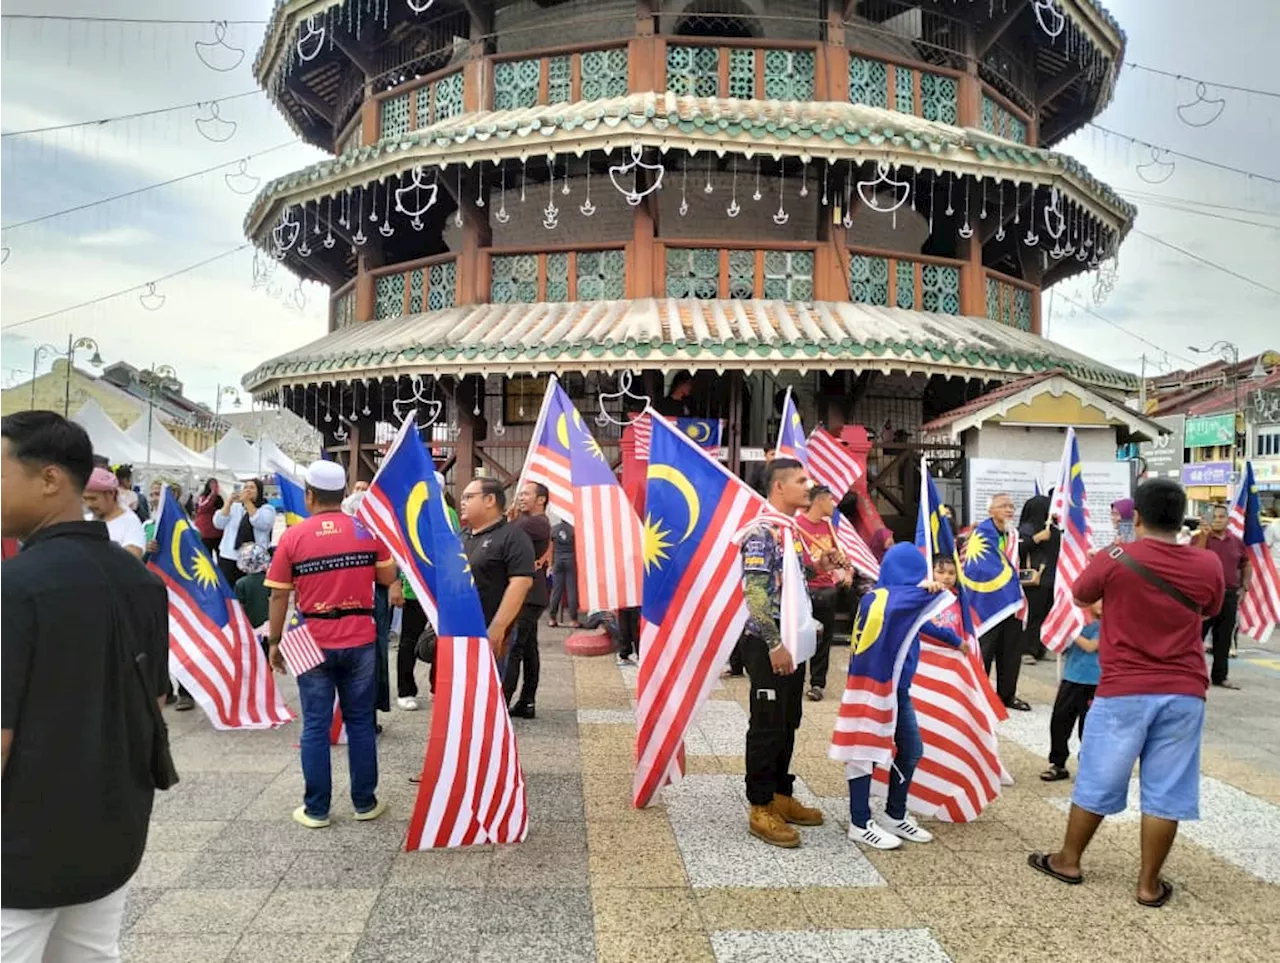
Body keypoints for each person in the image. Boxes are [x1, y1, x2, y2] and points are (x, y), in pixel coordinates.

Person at [0, 411, 169, 959]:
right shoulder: (141, 583)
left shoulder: (13, 587)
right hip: (110, 831)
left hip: (20, 847)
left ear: (49, 479)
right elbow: (154, 701)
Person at [1029, 478, 1224, 908]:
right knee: (1168, 789)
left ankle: (1068, 860)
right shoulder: (1207, 564)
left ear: (1136, 517)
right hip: (1185, 690)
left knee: (1099, 774)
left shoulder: (1115, 556)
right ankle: (1148, 885)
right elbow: (1211, 609)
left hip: (1121, 689)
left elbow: (1081, 593)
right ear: (1180, 520)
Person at [265, 461, 397, 829]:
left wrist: (275, 642)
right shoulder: (364, 530)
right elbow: (388, 576)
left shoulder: (293, 537)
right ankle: (364, 802)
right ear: (342, 495)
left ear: (309, 495)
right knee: (359, 722)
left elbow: (278, 597)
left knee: (315, 725)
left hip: (312, 640)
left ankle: (317, 809)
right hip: (360, 639)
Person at [844, 544, 957, 850]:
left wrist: (960, 641)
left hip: (896, 689)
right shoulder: (877, 599)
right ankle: (859, 821)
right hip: (871, 689)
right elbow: (898, 605)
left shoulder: (900, 601)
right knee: (863, 752)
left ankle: (894, 814)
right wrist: (926, 591)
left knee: (910, 750)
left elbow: (927, 624)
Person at [739, 457, 826, 848]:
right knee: (767, 725)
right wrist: (774, 644)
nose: (808, 487)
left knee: (789, 720)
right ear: (779, 487)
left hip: (793, 642)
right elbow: (756, 594)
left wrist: (822, 564)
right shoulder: (761, 532)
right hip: (768, 644)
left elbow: (788, 584)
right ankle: (760, 806)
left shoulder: (790, 532)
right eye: (800, 480)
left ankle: (781, 794)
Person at [459, 477, 535, 677]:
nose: (462, 502)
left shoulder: (513, 537)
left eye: (469, 497)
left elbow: (521, 583)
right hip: (459, 631)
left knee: (487, 693)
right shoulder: (462, 536)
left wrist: (497, 628)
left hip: (492, 632)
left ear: (490, 500)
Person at [795, 484, 853, 701]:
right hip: (805, 588)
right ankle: (795, 679)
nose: (833, 505)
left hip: (826, 589)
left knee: (824, 640)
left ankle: (817, 684)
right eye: (830, 500)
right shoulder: (797, 525)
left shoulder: (829, 526)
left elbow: (838, 552)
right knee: (802, 636)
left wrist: (846, 570)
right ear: (819, 500)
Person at [978, 492, 1030, 711]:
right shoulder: (981, 534)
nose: (1009, 510)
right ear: (991, 510)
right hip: (989, 602)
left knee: (1011, 650)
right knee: (986, 650)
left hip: (1012, 600)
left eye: (1011, 506)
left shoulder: (1012, 534)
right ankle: (979, 695)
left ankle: (1007, 695)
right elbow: (980, 567)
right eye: (1003, 506)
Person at [503, 482, 551, 718]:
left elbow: (506, 534)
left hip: (528, 595)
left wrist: (508, 519)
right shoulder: (531, 522)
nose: (520, 497)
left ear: (541, 500)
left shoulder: (534, 523)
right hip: (534, 593)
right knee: (529, 648)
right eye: (519, 493)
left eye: (526, 494)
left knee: (514, 647)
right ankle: (527, 701)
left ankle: (503, 700)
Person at [1042, 601, 1102, 782]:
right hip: (1071, 678)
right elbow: (1061, 645)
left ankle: (1088, 767)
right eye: (1098, 600)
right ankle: (1058, 763)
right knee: (1060, 722)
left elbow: (1092, 646)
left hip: (1095, 681)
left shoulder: (1109, 624)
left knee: (1089, 727)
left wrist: (1071, 632)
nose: (1102, 604)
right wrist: (1061, 629)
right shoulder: (1077, 621)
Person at [1194, 503, 1251, 689]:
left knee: (1224, 637)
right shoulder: (1198, 539)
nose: (1218, 520)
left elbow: (1245, 564)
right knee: (1196, 637)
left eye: (1221, 517)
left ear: (1228, 520)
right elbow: (1195, 560)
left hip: (1228, 595)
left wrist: (1244, 587)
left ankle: (1220, 676)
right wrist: (1203, 536)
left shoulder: (1236, 542)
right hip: (1205, 596)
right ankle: (1193, 676)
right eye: (1214, 516)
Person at [1018, 494, 1059, 662]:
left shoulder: (1053, 528)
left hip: (1050, 578)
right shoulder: (1027, 529)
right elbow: (1017, 550)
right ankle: (1026, 649)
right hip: (1033, 579)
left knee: (1046, 614)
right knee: (1032, 615)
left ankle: (1041, 647)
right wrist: (1035, 539)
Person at [214, 477, 276, 587]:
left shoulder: (267, 509)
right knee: (227, 589)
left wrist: (247, 502)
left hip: (254, 560)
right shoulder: (235, 507)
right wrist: (228, 502)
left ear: (259, 491)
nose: (248, 490)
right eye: (246, 487)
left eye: (252, 488)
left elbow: (262, 523)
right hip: (229, 556)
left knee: (248, 592)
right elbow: (218, 523)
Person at [83, 466, 147, 560]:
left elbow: (131, 560)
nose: (89, 504)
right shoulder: (85, 519)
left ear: (111, 494)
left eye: (93, 499)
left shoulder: (130, 523)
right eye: (85, 499)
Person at [234, 543, 271, 651]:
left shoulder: (241, 584)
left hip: (251, 626)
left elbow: (238, 607)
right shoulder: (270, 580)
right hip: (269, 625)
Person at [548, 519, 579, 628]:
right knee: (572, 590)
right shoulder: (574, 529)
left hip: (557, 560)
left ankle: (552, 618)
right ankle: (573, 620)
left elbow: (550, 548)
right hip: (571, 560)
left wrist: (550, 564)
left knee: (556, 590)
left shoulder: (554, 529)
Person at [194, 477, 225, 555]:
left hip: (218, 532)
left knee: (220, 556)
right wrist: (213, 493)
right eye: (211, 483)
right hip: (205, 532)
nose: (213, 486)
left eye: (215, 484)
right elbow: (203, 506)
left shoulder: (220, 498)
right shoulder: (202, 498)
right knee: (206, 557)